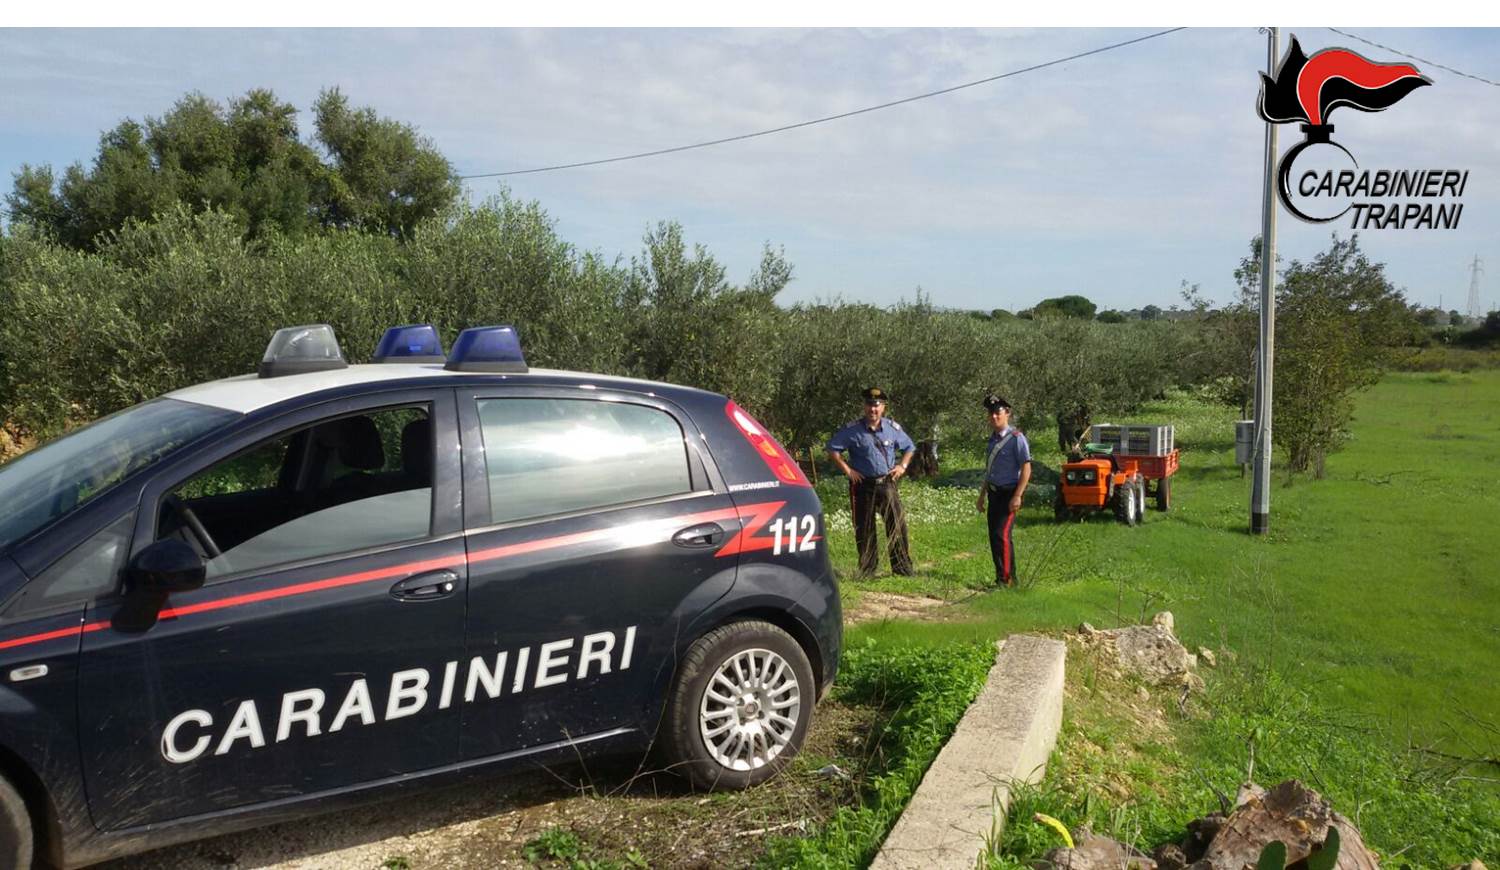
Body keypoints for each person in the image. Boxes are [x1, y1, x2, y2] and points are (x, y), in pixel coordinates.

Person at [826, 387, 916, 579]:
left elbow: (909, 447)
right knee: (864, 529)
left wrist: (903, 466)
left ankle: (902, 568)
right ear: (864, 406)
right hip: (863, 486)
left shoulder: (893, 429)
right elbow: (833, 449)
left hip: (887, 483)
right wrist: (848, 470)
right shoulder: (852, 430)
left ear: (883, 407)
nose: (872, 410)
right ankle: (867, 570)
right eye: (869, 405)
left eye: (876, 406)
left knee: (897, 526)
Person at [975, 394, 1031, 587]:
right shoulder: (992, 440)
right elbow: (989, 471)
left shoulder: (1017, 439)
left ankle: (1007, 580)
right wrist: (981, 496)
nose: (994, 417)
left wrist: (1018, 496)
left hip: (1009, 494)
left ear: (1007, 413)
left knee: (1002, 535)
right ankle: (1002, 577)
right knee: (994, 537)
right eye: (991, 413)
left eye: (998, 412)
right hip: (994, 494)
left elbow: (1026, 468)